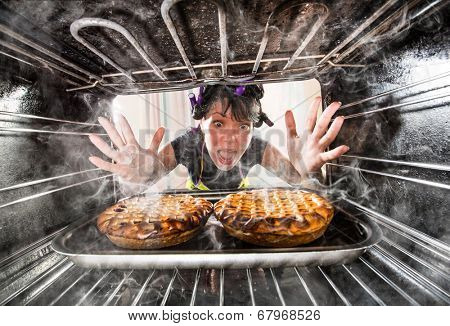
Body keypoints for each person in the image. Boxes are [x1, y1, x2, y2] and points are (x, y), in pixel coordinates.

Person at [88, 84, 349, 190]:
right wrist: (141, 175)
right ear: (200, 123)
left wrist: (307, 171)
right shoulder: (188, 144)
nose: (230, 140)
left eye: (243, 127)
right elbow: (152, 171)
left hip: (241, 214)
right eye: (218, 124)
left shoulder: (258, 148)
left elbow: (297, 179)